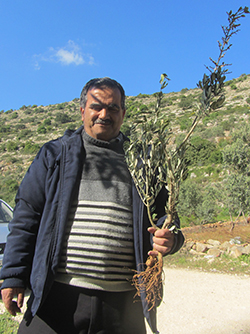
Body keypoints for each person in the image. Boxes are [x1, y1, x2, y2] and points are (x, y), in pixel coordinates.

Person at [0, 77, 184, 334]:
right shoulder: (55, 156)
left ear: (123, 113)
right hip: (56, 298)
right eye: (96, 106)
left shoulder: (144, 164)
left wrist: (171, 239)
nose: (104, 114)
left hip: (122, 306)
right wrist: (13, 276)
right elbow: (26, 217)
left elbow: (168, 220)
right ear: (82, 110)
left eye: (113, 108)